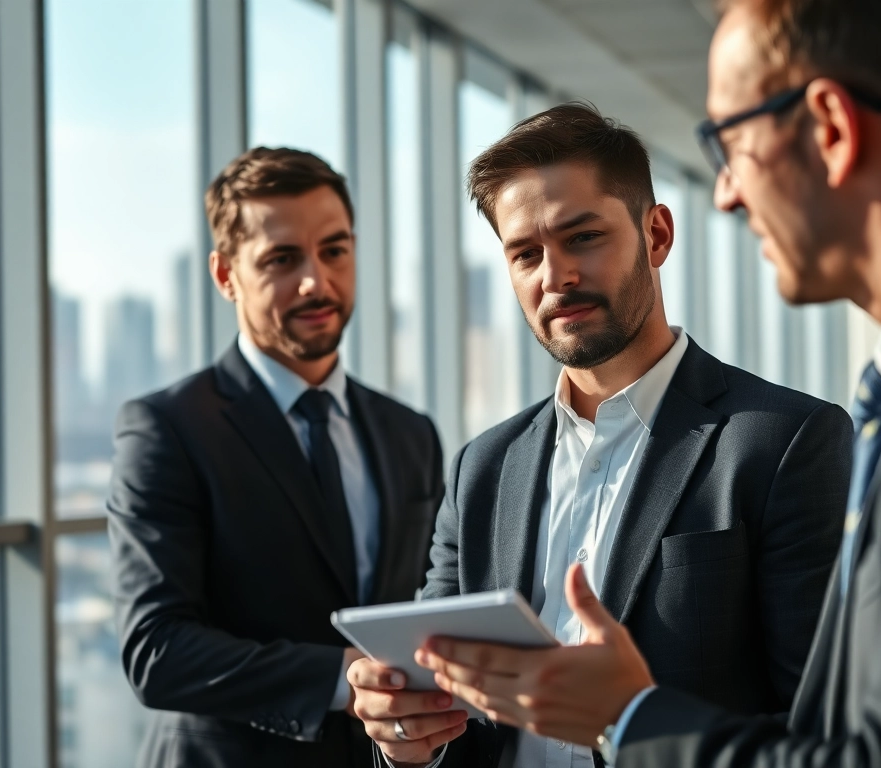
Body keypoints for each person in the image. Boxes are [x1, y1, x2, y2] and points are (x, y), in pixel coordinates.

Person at [407, 1, 881, 765]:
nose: (729, 193)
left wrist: (629, 718)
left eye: (730, 142)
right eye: (523, 253)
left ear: (829, 125)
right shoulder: (484, 464)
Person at [348, 102, 853, 767]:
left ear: (657, 235)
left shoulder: (783, 442)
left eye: (582, 237)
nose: (555, 276)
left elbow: (817, 727)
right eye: (525, 253)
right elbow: (440, 694)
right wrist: (403, 735)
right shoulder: (484, 468)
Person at [106, 147, 445, 767]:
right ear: (225, 275)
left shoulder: (409, 433)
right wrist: (344, 679)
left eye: (334, 250)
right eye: (282, 259)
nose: (316, 280)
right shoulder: (166, 429)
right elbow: (156, 650)